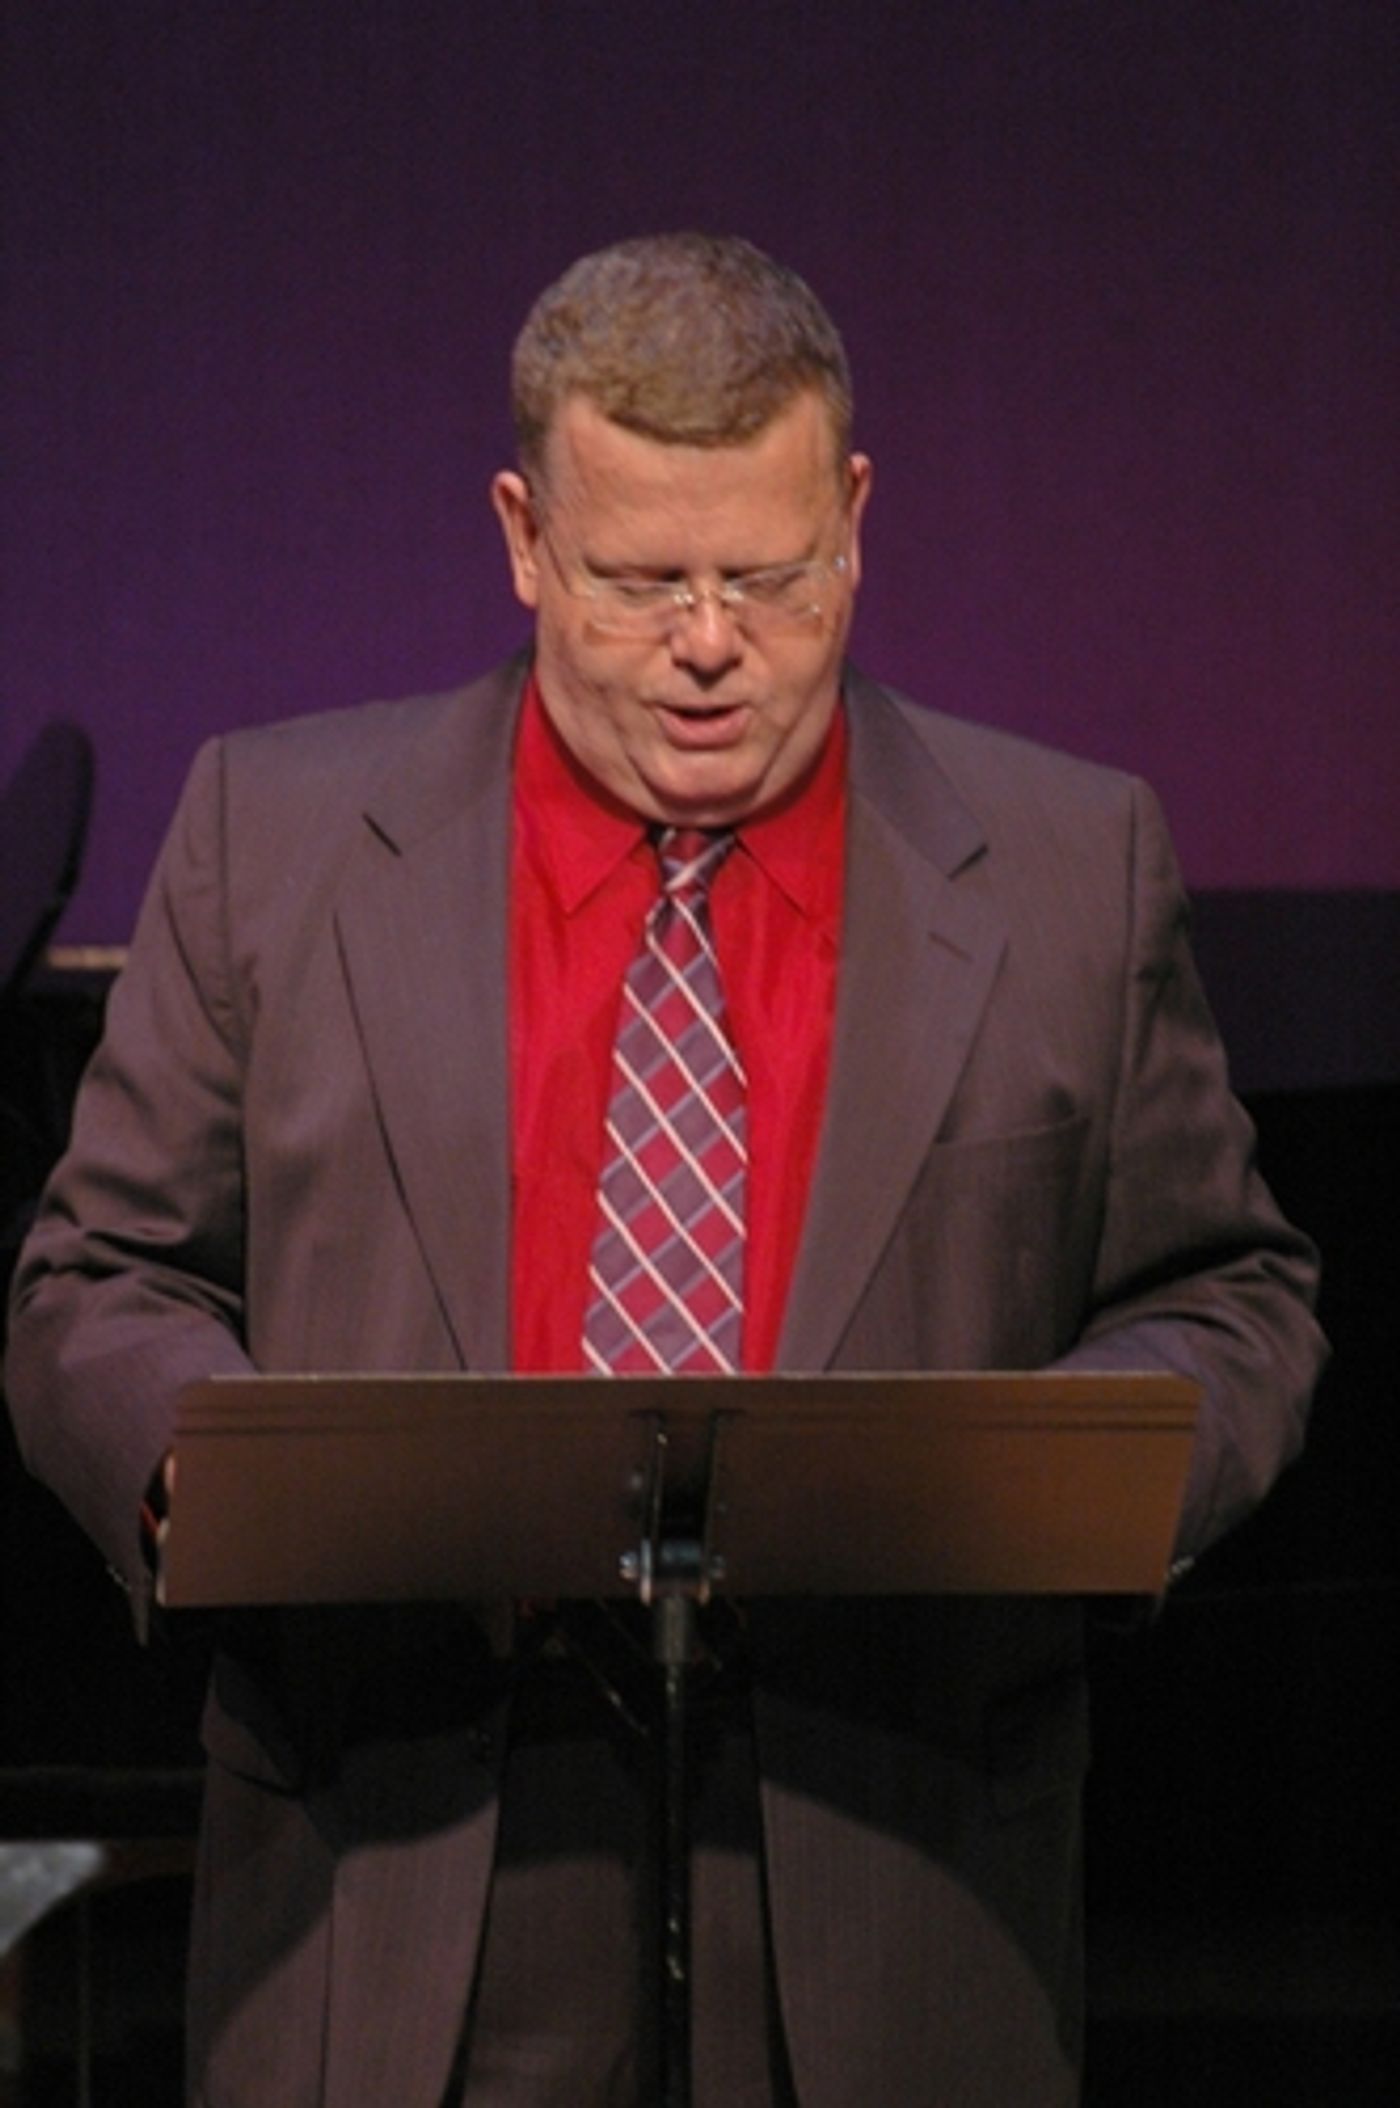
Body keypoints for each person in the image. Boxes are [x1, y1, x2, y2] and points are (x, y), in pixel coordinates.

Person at [5, 233, 1325, 2107]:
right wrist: (209, 1476)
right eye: (639, 583)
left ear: (852, 518)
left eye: (769, 577)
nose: (710, 643)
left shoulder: (1072, 866)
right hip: (394, 1885)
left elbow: (1231, 1294)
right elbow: (95, 1278)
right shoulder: (271, 840)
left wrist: (1080, 1483)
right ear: (524, 537)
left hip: (892, 1890)